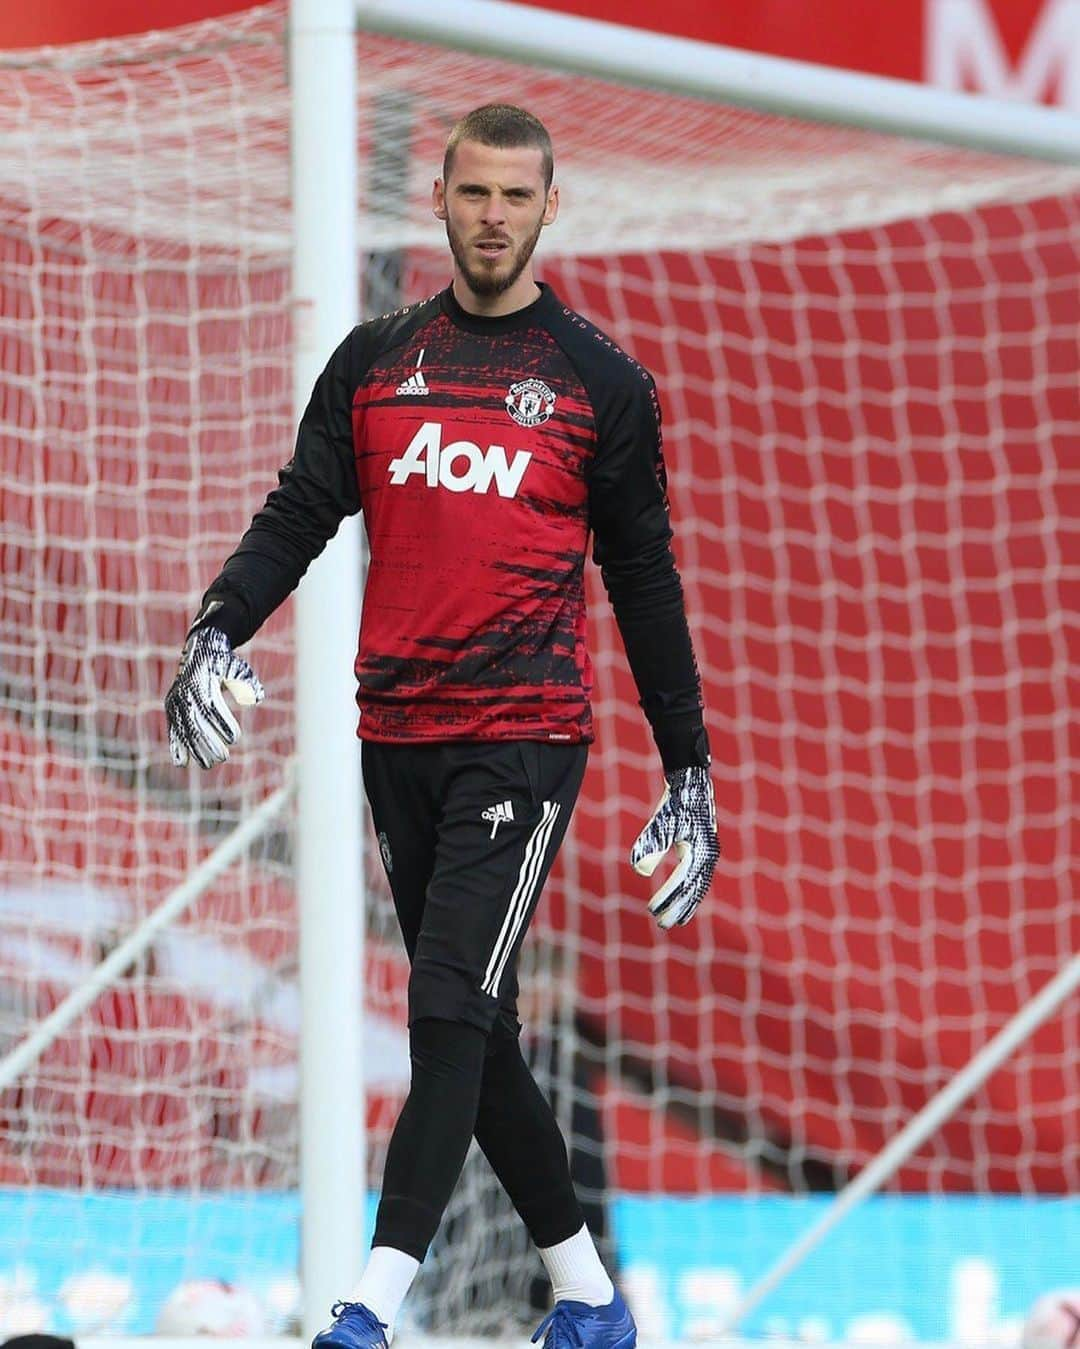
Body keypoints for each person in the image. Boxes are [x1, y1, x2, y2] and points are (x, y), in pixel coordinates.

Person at [164, 103, 718, 1349]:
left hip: (525, 736)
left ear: (549, 207)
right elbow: (301, 508)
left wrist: (688, 765)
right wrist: (217, 623)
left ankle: (371, 1301)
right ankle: (587, 1297)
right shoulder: (373, 361)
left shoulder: (602, 383)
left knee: (443, 1001)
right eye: (474, 193)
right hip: (395, 735)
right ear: (443, 200)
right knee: (480, 1025)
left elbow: (645, 580)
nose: (493, 216)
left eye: (517, 197)